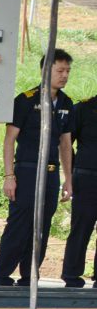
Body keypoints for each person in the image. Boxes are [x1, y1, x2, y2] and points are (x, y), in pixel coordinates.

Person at [0, 49, 74, 286]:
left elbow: (66, 144)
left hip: (51, 173)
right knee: (19, 223)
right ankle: (2, 275)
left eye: (68, 71)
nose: (64, 75)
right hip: (27, 170)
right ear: (45, 71)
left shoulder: (67, 103)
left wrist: (68, 179)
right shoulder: (26, 100)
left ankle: (30, 275)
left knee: (42, 226)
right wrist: (9, 175)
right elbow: (9, 140)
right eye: (60, 70)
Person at [63, 92, 96, 288]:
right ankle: (71, 275)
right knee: (81, 229)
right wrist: (72, 172)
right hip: (87, 178)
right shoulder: (84, 109)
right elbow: (66, 142)